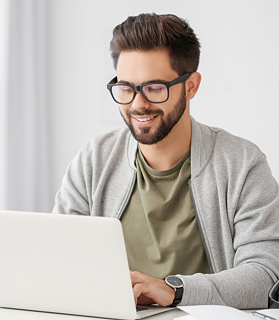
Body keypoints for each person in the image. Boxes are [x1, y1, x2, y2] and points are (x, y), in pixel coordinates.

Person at [52, 13, 279, 309]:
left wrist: (175, 291)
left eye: (154, 88)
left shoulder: (242, 163)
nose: (137, 104)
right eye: (126, 87)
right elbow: (58, 256)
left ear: (191, 86)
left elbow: (265, 278)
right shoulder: (95, 158)